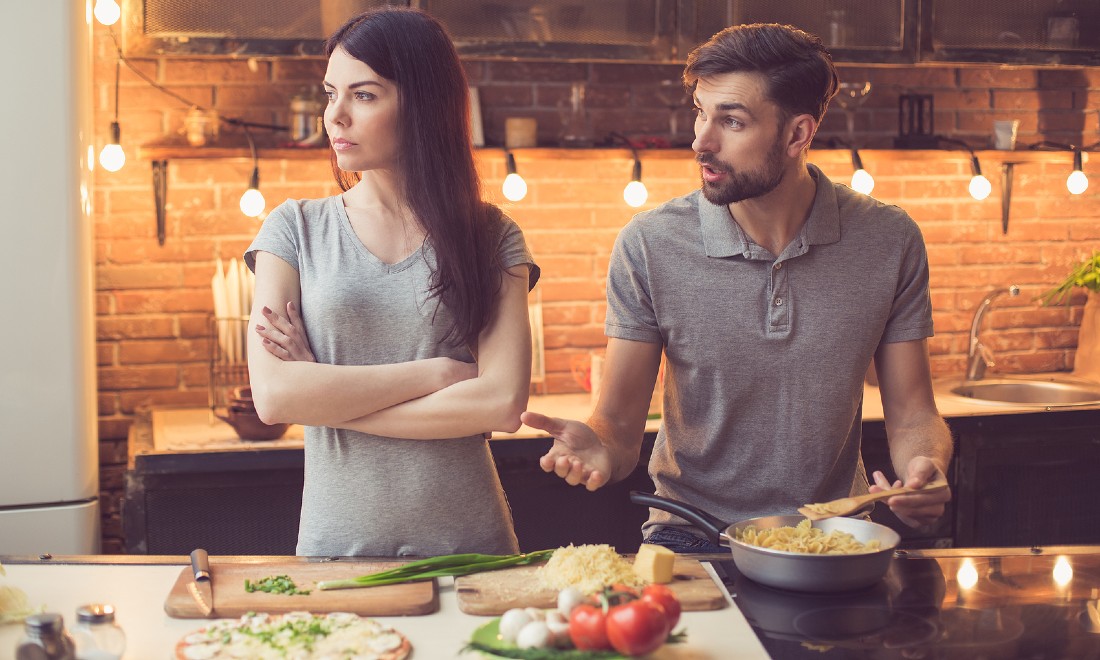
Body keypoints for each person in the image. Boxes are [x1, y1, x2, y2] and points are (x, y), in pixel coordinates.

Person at [521, 23, 953, 553]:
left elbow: (913, 412)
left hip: (830, 535)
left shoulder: (889, 240)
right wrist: (599, 449)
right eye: (701, 111)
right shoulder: (650, 244)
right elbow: (616, 425)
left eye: (732, 120)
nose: (701, 140)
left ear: (797, 135)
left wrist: (924, 467)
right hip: (688, 532)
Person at [244, 7, 538, 557]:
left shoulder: (492, 235)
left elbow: (500, 403)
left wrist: (327, 397)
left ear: (424, 104)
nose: (335, 117)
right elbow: (277, 395)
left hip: (470, 550)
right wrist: (440, 373)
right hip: (337, 551)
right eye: (331, 93)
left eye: (365, 95)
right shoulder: (294, 228)